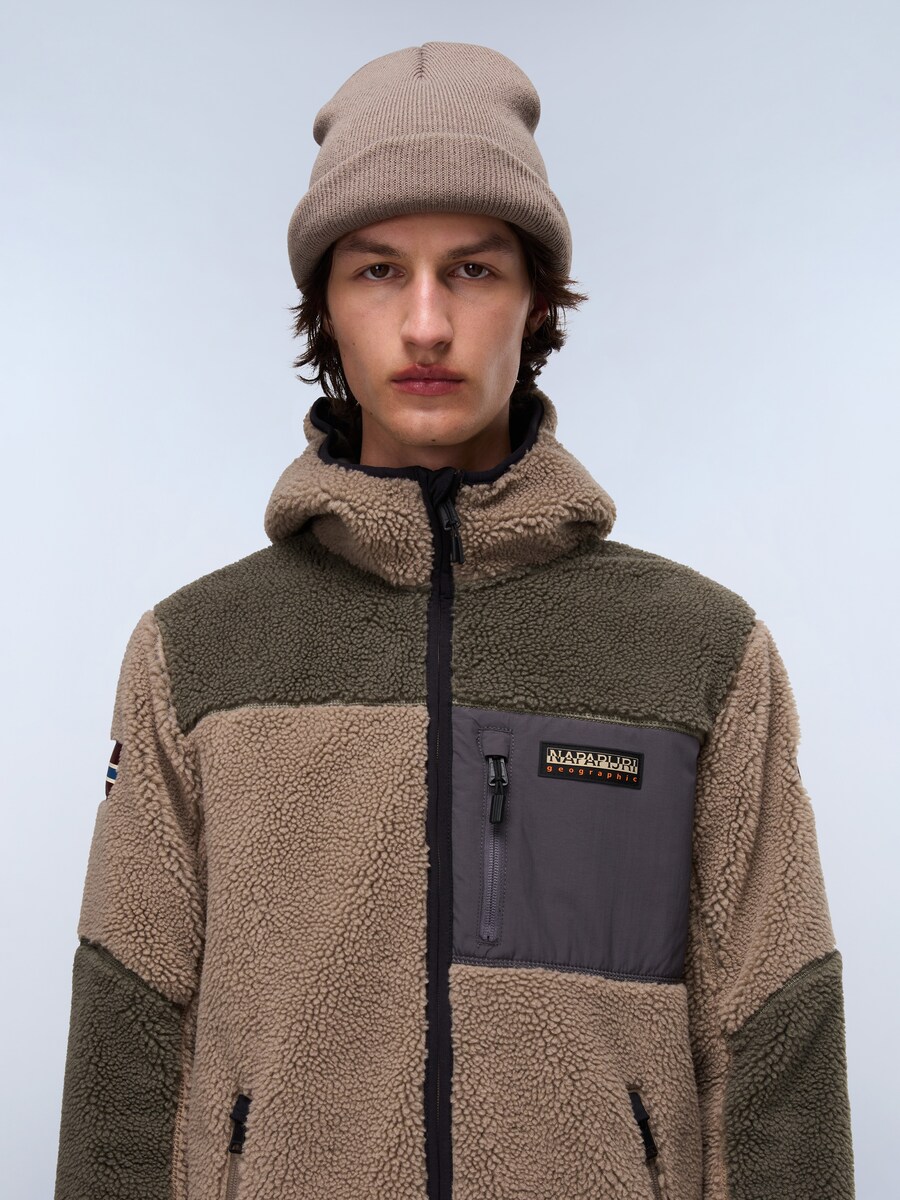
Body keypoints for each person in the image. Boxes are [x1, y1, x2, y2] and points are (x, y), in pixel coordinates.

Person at [54, 41, 854, 1200]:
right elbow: (126, 1055)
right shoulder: (196, 655)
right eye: (379, 271)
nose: (425, 324)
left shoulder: (699, 656)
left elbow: (775, 1044)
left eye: (473, 271)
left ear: (538, 301)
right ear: (325, 306)